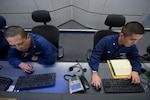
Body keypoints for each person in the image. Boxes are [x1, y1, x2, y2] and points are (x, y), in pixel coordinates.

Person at [88, 21, 145, 89]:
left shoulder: (131, 45)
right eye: (132, 39)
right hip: (102, 64)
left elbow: (135, 58)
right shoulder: (106, 41)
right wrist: (94, 73)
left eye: (138, 40)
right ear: (121, 35)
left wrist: (135, 71)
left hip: (116, 66)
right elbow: (95, 56)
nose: (135, 43)